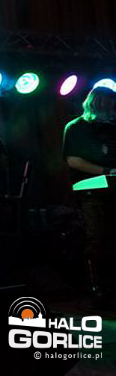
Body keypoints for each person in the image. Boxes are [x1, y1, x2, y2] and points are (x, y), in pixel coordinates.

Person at [62, 86, 116, 305]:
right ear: (97, 104)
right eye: (109, 105)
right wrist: (107, 172)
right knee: (97, 238)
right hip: (90, 190)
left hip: (111, 188)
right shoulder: (75, 128)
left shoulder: (111, 128)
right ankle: (99, 289)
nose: (112, 110)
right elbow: (73, 160)